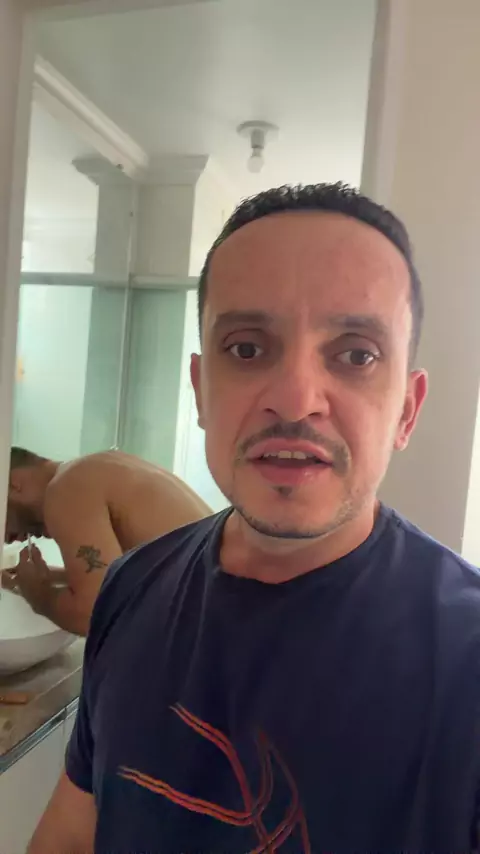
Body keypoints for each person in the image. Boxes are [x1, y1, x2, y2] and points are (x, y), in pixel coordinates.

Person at [27, 183, 480, 854]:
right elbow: (69, 836)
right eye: (246, 348)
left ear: (406, 412)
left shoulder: (466, 660)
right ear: (200, 389)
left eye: (356, 354)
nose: (295, 400)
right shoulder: (131, 589)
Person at [2, 448, 211, 635]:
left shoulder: (67, 488)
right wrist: (57, 576)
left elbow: (94, 615)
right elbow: (130, 575)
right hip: (220, 617)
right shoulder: (97, 467)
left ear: (13, 484)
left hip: (210, 631)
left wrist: (38, 594)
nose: (8, 539)